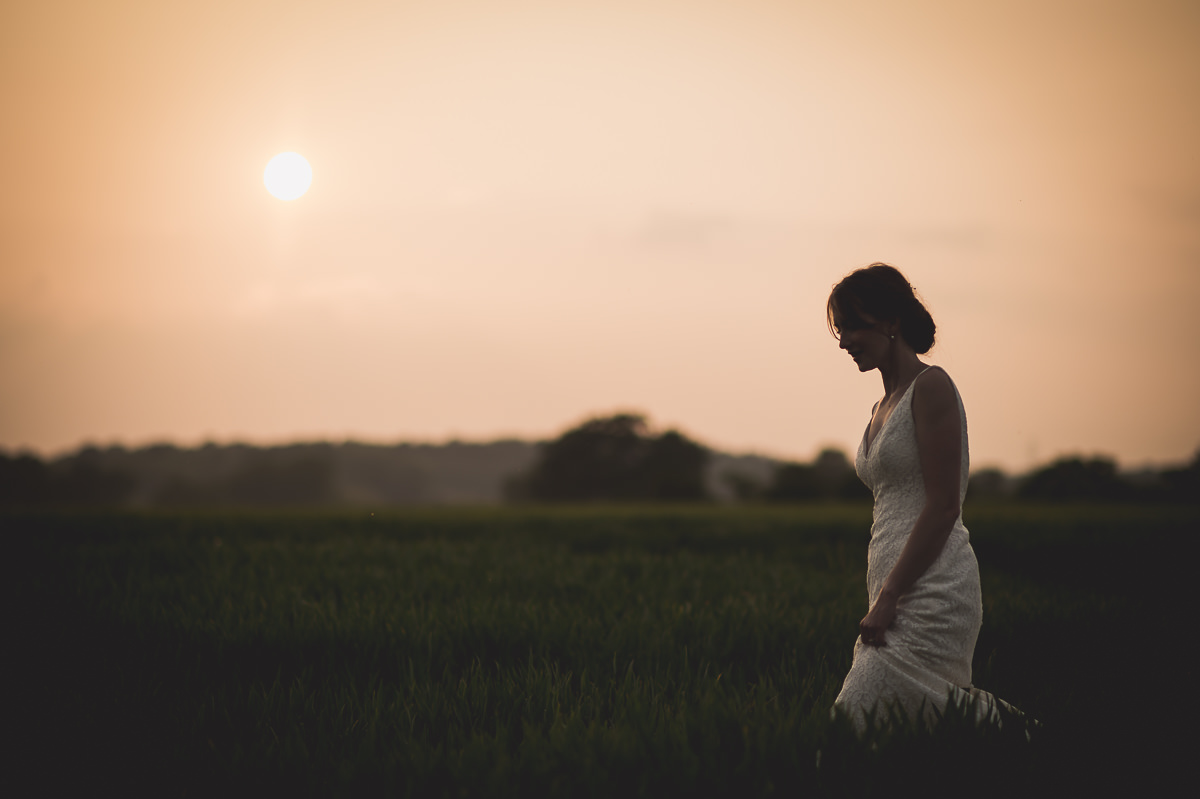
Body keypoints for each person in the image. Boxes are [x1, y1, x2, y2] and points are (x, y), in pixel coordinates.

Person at [827, 262, 1004, 732]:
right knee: (920, 727)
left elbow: (945, 505)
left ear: (891, 322)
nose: (844, 341)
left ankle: (1045, 751)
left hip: (933, 586)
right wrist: (884, 591)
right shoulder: (881, 405)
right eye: (839, 330)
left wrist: (890, 597)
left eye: (853, 326)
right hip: (891, 581)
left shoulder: (933, 387)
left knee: (853, 725)